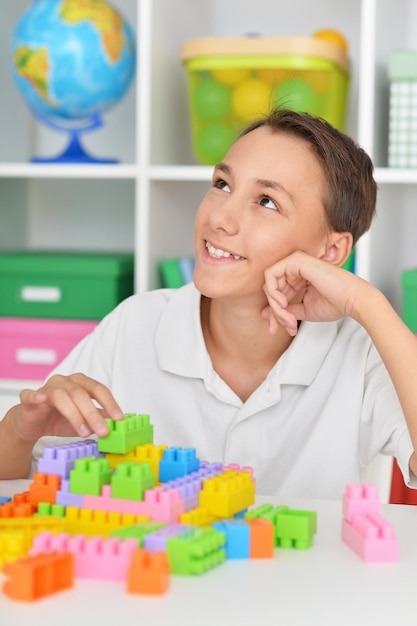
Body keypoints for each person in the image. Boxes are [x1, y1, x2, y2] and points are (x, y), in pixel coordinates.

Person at [1, 107, 416, 500]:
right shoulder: (135, 324)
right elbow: (17, 483)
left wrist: (367, 301)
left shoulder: (361, 351)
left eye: (266, 201)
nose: (219, 218)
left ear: (331, 251)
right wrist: (20, 431)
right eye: (222, 184)